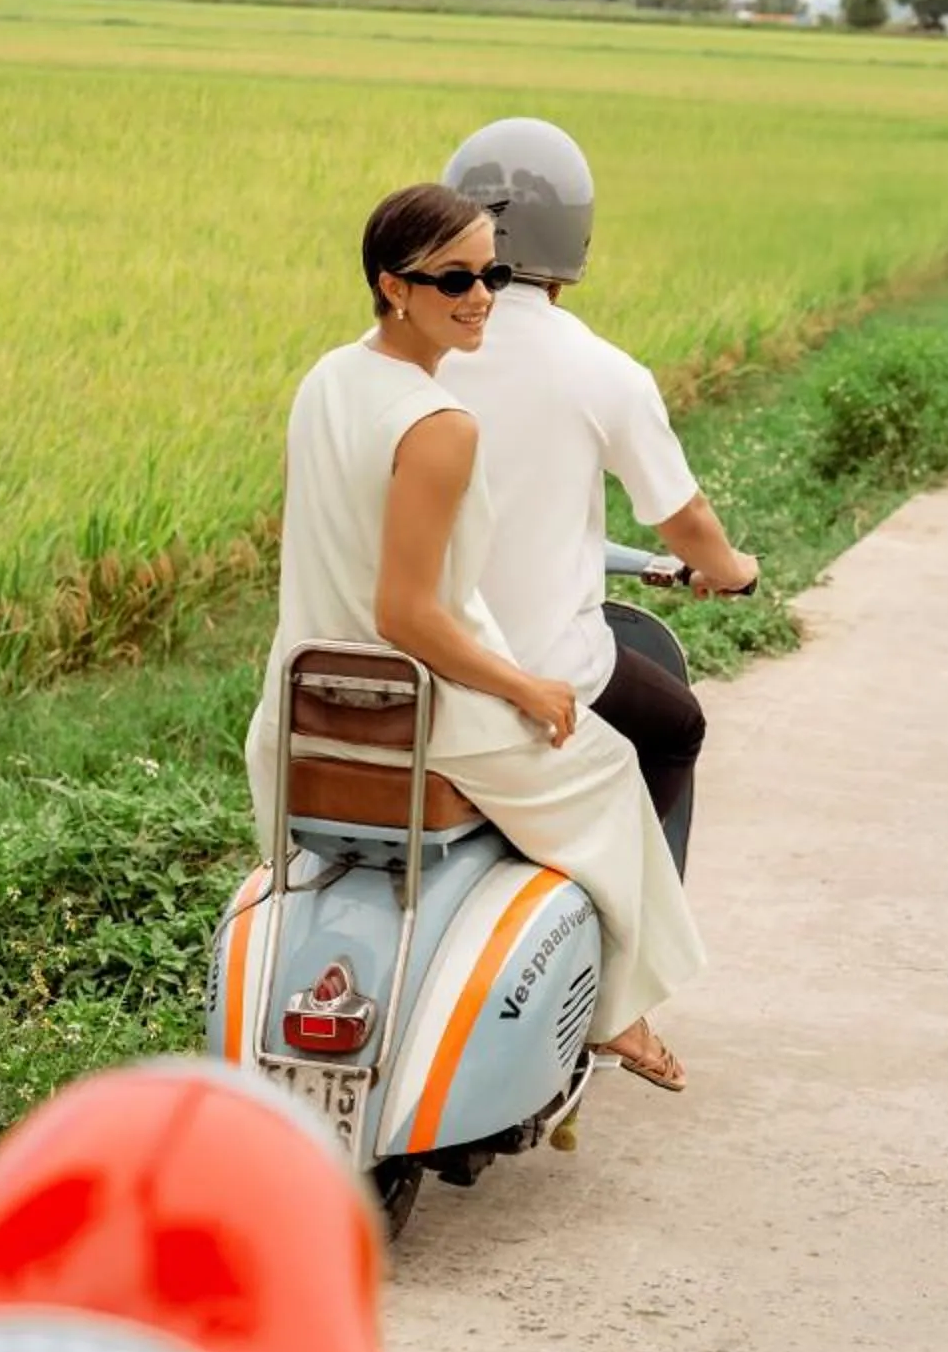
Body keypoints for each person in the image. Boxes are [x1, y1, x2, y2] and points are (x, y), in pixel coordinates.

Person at [243, 182, 700, 1090]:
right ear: (393, 286)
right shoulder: (440, 426)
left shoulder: (326, 380)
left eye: (492, 271)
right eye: (454, 279)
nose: (482, 296)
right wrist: (524, 686)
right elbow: (407, 617)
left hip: (305, 703)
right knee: (609, 769)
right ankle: (618, 1015)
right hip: (420, 709)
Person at [436, 118, 760, 833]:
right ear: (574, 236)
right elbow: (687, 520)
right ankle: (620, 891)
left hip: (404, 667)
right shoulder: (603, 371)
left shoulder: (404, 356)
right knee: (677, 729)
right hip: (544, 667)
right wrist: (731, 570)